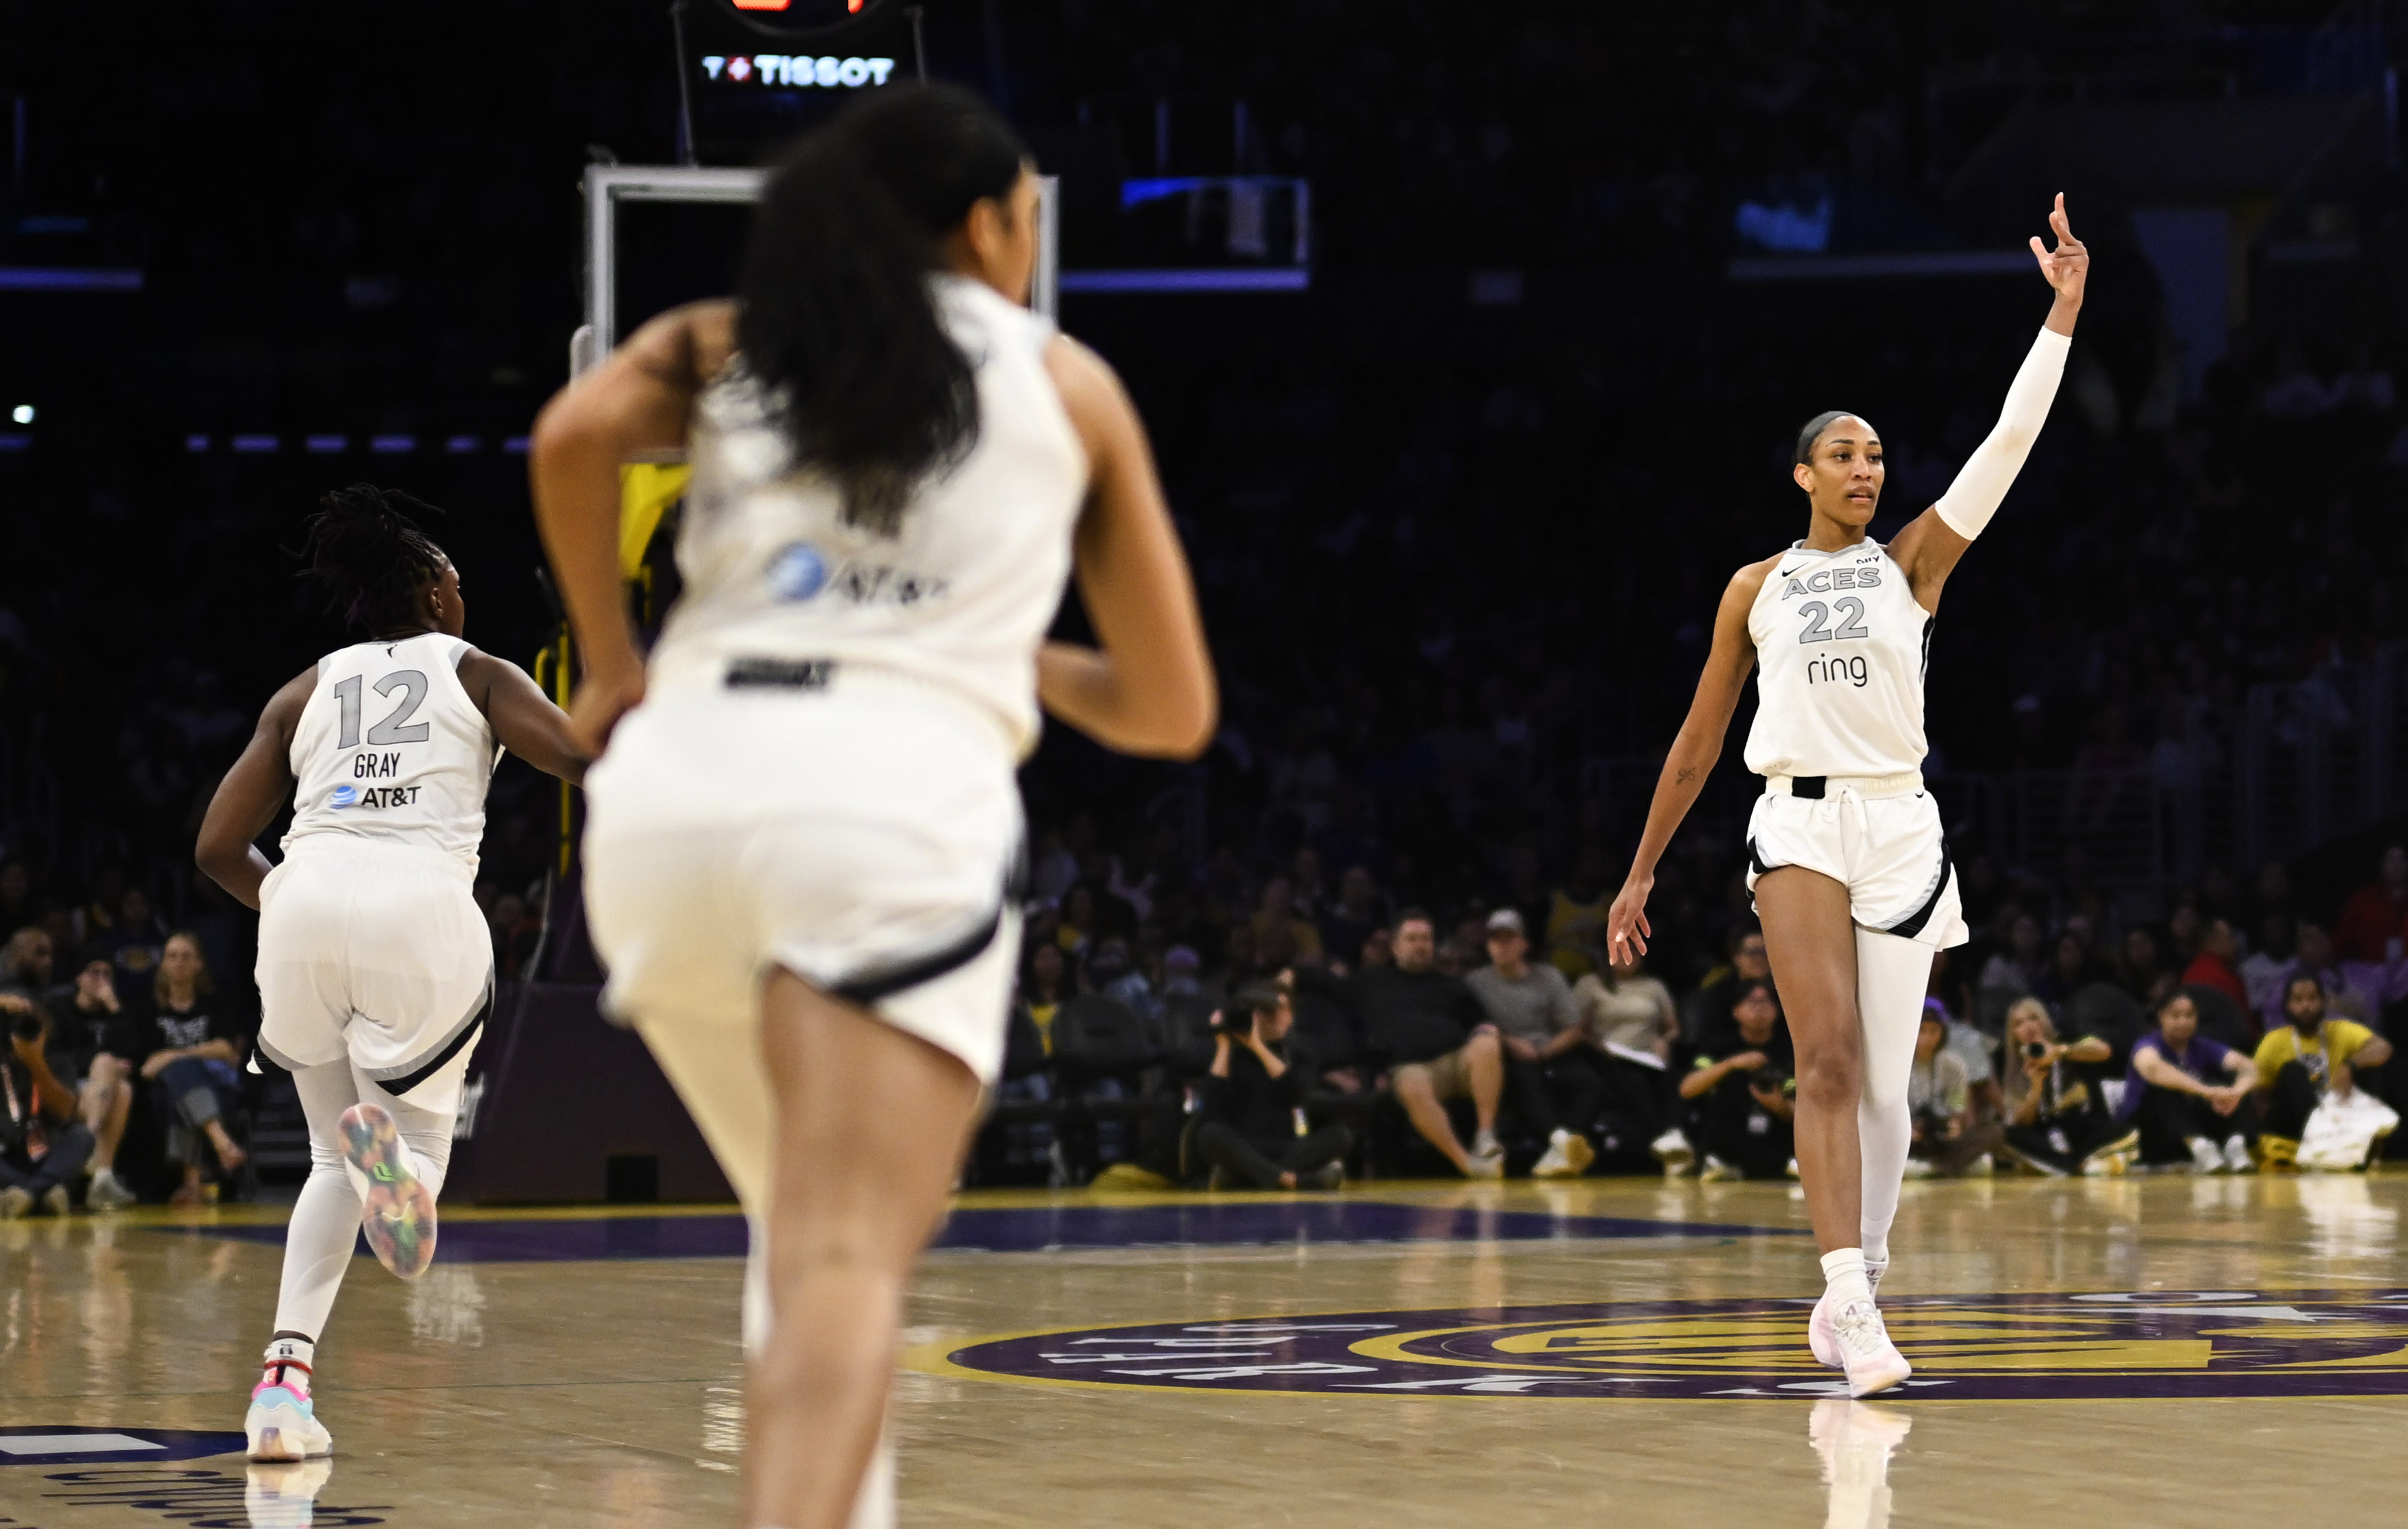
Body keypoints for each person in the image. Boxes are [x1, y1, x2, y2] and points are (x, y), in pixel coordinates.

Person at [530, 86, 1216, 1529]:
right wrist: (984, 644)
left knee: (799, 1232)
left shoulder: (734, 337)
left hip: (668, 812)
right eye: (1026, 216)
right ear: (984, 222)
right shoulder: (1061, 377)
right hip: (878, 804)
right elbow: (1171, 707)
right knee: (847, 1259)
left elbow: (574, 431)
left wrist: (606, 660)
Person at [1607, 195, 2088, 1396]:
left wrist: (2062, 316)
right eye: (1844, 454)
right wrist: (1640, 867)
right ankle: (1847, 1296)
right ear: (1802, 472)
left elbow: (2007, 445)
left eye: (1875, 454)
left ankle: (1856, 1279)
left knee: (1884, 1087)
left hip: (1901, 821)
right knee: (1820, 1064)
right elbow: (1698, 737)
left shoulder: (1915, 560)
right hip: (1798, 820)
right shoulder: (1754, 585)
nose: (1866, 468)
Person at [196, 483, 590, 1464]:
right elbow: (584, 757)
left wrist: (295, 905)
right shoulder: (479, 671)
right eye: (453, 575)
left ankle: (282, 1391)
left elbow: (213, 847)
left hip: (300, 899)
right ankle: (402, 1174)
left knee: (331, 1160)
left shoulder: (303, 689)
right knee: (410, 1189)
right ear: (433, 589)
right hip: (419, 901)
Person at [1335, 911, 1505, 1178]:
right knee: (1413, 1082)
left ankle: (1485, 1138)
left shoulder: (1452, 985)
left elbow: (1482, 1022)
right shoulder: (1370, 982)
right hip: (1410, 1069)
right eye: (1412, 939)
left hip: (1455, 1063)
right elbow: (1328, 997)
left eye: (1426, 939)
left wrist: (1487, 1030)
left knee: (1487, 1044)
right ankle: (1467, 1164)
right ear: (1395, 947)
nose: (1421, 945)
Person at [1463, 908, 1596, 1177]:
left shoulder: (1549, 977)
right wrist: (1511, 1043)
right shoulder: (1475, 983)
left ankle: (1560, 1148)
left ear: (1524, 943)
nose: (1501, 946)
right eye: (1495, 940)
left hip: (1549, 1050)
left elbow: (1573, 1028)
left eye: (1508, 939)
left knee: (1591, 1084)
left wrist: (1548, 1050)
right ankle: (1559, 1139)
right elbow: (1474, 1026)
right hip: (1505, 1056)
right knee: (1525, 1079)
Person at [1193, 983, 1351, 1190]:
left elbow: (1296, 1095)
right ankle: (1293, 1180)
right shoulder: (1228, 1052)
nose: (1274, 1017)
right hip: (1243, 1144)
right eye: (1266, 1012)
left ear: (1291, 1016)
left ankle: (1242, 1178)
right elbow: (1211, 1107)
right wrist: (1224, 1045)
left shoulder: (1300, 1053)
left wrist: (1258, 1047)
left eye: (1281, 1010)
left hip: (1287, 1145)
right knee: (1209, 1135)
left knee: (1341, 1136)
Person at [136, 932, 252, 1206]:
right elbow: (147, 1069)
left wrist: (175, 1055)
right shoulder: (148, 1008)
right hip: (161, 1097)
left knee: (181, 1077)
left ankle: (192, 1184)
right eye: (172, 956)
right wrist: (197, 1054)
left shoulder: (215, 1002)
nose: (179, 963)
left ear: (199, 964)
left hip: (218, 1088)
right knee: (180, 1083)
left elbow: (227, 1050)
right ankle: (220, 1142)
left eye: (186, 956)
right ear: (163, 964)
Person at [2253, 974, 2396, 1170]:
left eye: (2312, 999)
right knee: (2291, 1071)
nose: (2306, 1006)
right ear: (2287, 1005)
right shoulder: (2273, 1041)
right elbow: (2260, 1098)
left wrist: (2349, 1065)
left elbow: (2383, 1048)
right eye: (2298, 1000)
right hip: (2299, 1125)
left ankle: (2368, 1144)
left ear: (2324, 1002)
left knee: (2370, 1066)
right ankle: (2322, 1147)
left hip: (2339, 1114)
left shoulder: (2340, 1029)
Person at [1569, 947, 1688, 1171]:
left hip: (1649, 1055)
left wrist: (1665, 1041)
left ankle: (1674, 1134)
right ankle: (1659, 1145)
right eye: (1622, 951)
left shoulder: (1654, 986)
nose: (1629, 958)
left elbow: (1673, 1028)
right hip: (1609, 1056)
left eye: (1634, 952)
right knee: (1634, 1083)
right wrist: (1597, 1046)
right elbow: (1576, 1028)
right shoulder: (1590, 984)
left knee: (1677, 1080)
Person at [1999, 998, 2136, 1176]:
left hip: (2087, 1129)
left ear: (2045, 1020)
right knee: (2009, 1135)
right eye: (2019, 1023)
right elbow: (2022, 1122)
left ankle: (2060, 1166)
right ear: (2014, 1034)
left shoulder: (2068, 1039)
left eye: (2033, 1018)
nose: (2028, 1026)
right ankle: (2076, 1165)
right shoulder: (2014, 1065)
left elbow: (2104, 1051)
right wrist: (2036, 1087)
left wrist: (2060, 1052)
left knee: (2125, 1131)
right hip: (2049, 1136)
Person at [2121, 991, 2255, 1173]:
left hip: (2194, 1126)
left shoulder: (2202, 1045)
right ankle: (2199, 1146)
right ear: (2161, 1016)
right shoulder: (2146, 1044)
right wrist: (2206, 1091)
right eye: (2175, 1016)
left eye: (2189, 1015)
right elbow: (2153, 1069)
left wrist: (2235, 1093)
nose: (2183, 1022)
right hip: (2150, 1131)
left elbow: (2249, 1067)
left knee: (2233, 1081)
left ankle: (2236, 1145)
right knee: (2163, 1088)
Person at [1678, 978, 1796, 1181]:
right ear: (1736, 1011)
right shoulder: (1719, 1046)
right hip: (1733, 1127)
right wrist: (1731, 1064)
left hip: (1775, 1128)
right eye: (1752, 1002)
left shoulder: (1790, 1050)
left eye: (1766, 1003)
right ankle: (1784, 1165)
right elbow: (1687, 1089)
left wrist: (1780, 1106)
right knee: (1714, 1133)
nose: (1759, 1009)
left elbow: (1803, 1110)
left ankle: (1743, 1166)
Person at [58, 956, 140, 1209]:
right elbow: (59, 1058)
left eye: (107, 974)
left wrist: (114, 1006)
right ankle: (92, 1149)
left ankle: (101, 1175)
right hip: (69, 1089)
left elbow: (134, 1052)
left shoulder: (117, 1011)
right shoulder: (61, 1009)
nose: (102, 981)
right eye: (94, 973)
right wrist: (99, 1063)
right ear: (79, 978)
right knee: (105, 1061)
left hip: (104, 1092)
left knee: (124, 1089)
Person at [1, 994, 93, 1216]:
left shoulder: (59, 1062)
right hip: (6, 1154)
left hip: (48, 1154)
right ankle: (45, 1192)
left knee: (82, 1136)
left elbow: (65, 1111)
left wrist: (35, 1063)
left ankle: (26, 1195)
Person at [1902, 1009, 2001, 1177]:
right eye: (1922, 1030)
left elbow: (1957, 1109)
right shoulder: (1899, 1063)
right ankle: (1941, 1168)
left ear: (1942, 1033)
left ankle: (1930, 1168)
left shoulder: (1954, 1065)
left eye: (1934, 1031)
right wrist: (1908, 1130)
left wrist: (1953, 1128)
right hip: (1906, 1137)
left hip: (1942, 1136)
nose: (1927, 1038)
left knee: (1996, 1131)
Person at [2333, 844, 2408, 963]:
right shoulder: (2362, 900)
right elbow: (2341, 942)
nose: (2396, 866)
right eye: (2391, 860)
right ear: (2382, 866)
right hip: (2372, 974)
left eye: (2401, 860)